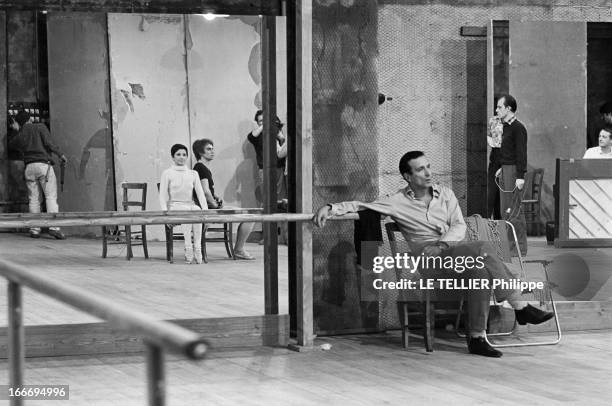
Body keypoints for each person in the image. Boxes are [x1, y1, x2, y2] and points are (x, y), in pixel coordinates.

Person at [314, 151, 554, 358]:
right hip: (429, 262)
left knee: (479, 270)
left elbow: (459, 226)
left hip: (453, 251)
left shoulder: (446, 195)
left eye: (428, 167)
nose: (428, 173)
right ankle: (520, 306)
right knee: (482, 248)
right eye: (421, 169)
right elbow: (360, 206)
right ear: (408, 177)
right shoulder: (396, 201)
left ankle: (476, 338)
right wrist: (329, 208)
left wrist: (442, 245)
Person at [192, 139, 256, 260]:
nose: (212, 151)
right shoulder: (201, 168)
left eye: (212, 148)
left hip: (208, 207)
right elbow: (205, 192)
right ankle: (239, 250)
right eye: (208, 149)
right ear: (200, 152)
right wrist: (215, 205)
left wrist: (215, 197)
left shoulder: (201, 168)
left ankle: (239, 249)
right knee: (250, 217)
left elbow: (205, 190)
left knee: (249, 215)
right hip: (209, 210)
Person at [8, 110, 67, 239]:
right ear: (29, 119)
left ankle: (34, 229)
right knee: (50, 197)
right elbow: (49, 144)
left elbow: (11, 145)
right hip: (43, 166)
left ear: (20, 123)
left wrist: (16, 129)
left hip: (29, 168)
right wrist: (61, 155)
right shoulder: (40, 127)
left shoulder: (21, 133)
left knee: (33, 199)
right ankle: (54, 227)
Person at [159, 144, 208, 264]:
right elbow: (162, 195)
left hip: (190, 204)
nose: (181, 157)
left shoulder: (193, 173)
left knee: (196, 210)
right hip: (175, 205)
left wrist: (206, 212)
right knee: (188, 213)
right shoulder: (167, 173)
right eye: (178, 154)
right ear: (173, 157)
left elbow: (201, 194)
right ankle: (188, 247)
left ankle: (197, 247)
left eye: (184, 154)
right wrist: (166, 213)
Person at [494, 94, 528, 255]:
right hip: (506, 169)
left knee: (514, 210)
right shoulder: (506, 126)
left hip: (514, 171)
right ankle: (508, 246)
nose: (497, 110)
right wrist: (502, 166)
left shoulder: (518, 128)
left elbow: (521, 153)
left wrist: (520, 176)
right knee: (504, 210)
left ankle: (518, 248)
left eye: (500, 107)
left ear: (509, 108)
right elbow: (507, 151)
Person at [247, 110, 287, 205]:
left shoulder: (275, 130)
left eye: (265, 119)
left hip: (278, 168)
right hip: (265, 170)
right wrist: (264, 126)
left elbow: (283, 141)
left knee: (280, 198)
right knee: (267, 198)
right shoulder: (257, 135)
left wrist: (280, 136)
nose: (263, 122)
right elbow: (251, 137)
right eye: (261, 120)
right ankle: (267, 219)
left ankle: (278, 218)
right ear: (257, 123)